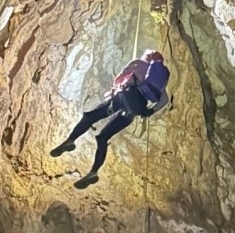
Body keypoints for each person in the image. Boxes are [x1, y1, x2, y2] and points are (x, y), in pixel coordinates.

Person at [50, 50, 170, 189]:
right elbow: (164, 99)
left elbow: (118, 79)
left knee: (89, 117)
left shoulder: (138, 63)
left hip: (122, 98)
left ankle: (70, 141)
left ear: (147, 57)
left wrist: (119, 85)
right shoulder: (160, 83)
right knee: (103, 137)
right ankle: (93, 172)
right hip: (134, 111)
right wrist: (149, 111)